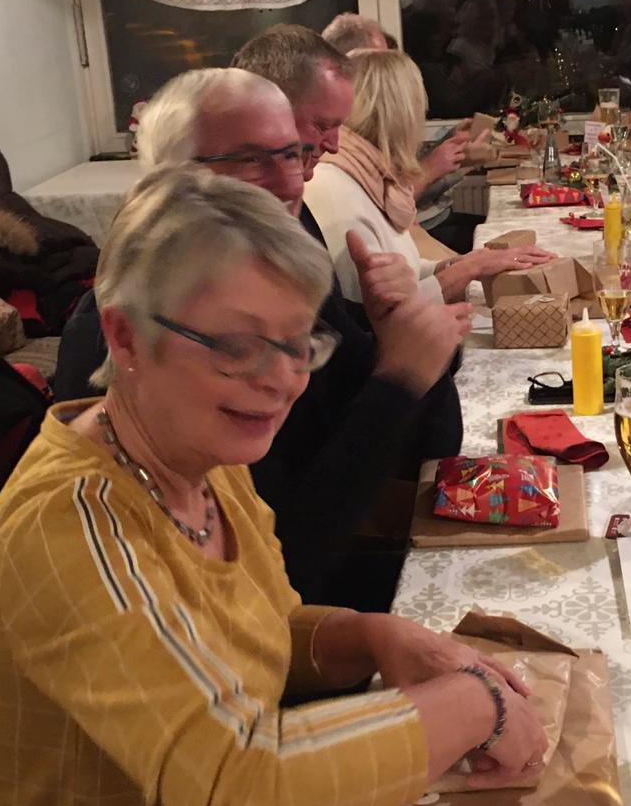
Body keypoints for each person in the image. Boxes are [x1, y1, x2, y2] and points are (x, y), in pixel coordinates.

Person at [0, 166, 549, 806]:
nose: (282, 379)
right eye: (236, 344)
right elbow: (242, 788)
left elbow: (253, 626)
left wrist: (372, 636)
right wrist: (470, 703)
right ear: (124, 336)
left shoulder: (195, 452)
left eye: (299, 343)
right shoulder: (73, 525)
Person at [53, 63, 468, 608]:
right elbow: (281, 570)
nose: (292, 181)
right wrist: (397, 381)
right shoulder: (129, 335)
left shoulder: (276, 260)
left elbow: (429, 448)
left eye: (293, 154)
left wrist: (401, 336)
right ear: (168, 175)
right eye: (252, 158)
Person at [304, 49, 556, 305]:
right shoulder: (334, 189)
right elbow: (378, 313)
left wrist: (469, 263)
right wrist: (471, 268)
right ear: (403, 115)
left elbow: (410, 273)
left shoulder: (368, 174)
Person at [320, 13, 471, 190]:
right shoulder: (338, 147)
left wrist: (447, 143)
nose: (392, 71)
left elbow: (398, 184)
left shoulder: (366, 135)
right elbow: (391, 198)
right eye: (381, 61)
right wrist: (430, 169)